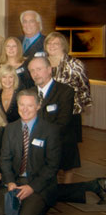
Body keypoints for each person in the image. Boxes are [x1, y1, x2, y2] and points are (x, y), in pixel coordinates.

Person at [0, 91, 59, 215]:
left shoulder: (50, 130)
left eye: (29, 106)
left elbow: (52, 165)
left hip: (38, 183)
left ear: (38, 106)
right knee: (1, 214)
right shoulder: (10, 128)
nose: (25, 109)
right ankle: (22, 201)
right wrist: (10, 182)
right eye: (21, 105)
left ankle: (38, 203)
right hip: (15, 180)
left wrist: (32, 187)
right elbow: (5, 159)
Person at [45, 31, 93, 184]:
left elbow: (84, 89)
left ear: (63, 46)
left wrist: (71, 106)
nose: (52, 46)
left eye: (56, 43)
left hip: (69, 114)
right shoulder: (42, 63)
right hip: (47, 115)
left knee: (68, 151)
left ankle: (67, 186)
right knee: (49, 149)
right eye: (49, 43)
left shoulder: (74, 64)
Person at [27, 56, 78, 186]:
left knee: (62, 192)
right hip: (36, 144)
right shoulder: (29, 93)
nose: (35, 74)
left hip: (61, 141)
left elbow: (63, 122)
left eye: (39, 69)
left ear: (49, 70)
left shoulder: (65, 91)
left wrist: (41, 138)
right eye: (32, 70)